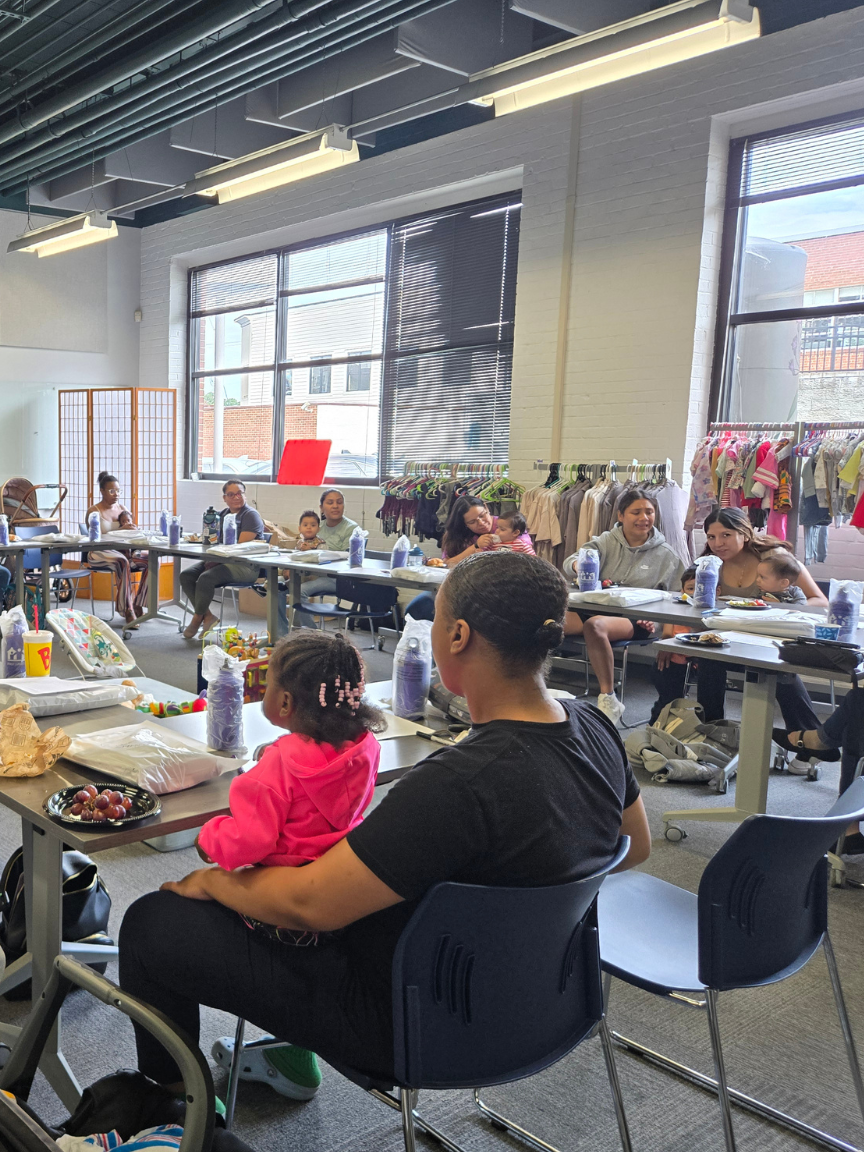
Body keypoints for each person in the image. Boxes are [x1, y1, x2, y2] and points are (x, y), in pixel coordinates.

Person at [118, 551, 651, 1103]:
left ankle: (175, 1112)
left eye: (435, 618)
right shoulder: (594, 726)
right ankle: (285, 1054)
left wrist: (213, 881)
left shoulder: (458, 784)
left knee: (154, 922)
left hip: (412, 1020)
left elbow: (310, 905)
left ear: (458, 636)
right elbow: (634, 846)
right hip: (542, 1003)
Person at [697, 508, 828, 771]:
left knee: (777, 666)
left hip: (771, 640)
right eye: (711, 537)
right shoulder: (710, 563)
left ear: (745, 533)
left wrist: (781, 608)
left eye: (726, 535)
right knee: (706, 657)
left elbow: (819, 601)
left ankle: (810, 742)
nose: (718, 543)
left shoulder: (774, 558)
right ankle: (713, 736)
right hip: (731, 638)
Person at [561, 488, 686, 726]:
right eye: (636, 512)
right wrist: (580, 565)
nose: (644, 518)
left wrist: (667, 634)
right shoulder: (606, 541)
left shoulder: (666, 555)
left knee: (595, 626)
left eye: (649, 512)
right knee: (546, 620)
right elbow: (570, 562)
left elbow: (679, 599)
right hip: (597, 609)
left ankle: (608, 698)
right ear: (621, 515)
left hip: (639, 621)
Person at [180, 481, 265, 640]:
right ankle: (207, 616)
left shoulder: (250, 515)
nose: (236, 497)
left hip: (244, 566)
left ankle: (197, 618)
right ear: (224, 498)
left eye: (239, 493)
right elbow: (212, 539)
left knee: (206, 578)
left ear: (244, 495)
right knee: (186, 575)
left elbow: (239, 547)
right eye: (231, 494)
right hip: (220, 560)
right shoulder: (222, 515)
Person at [404, 495, 501, 622]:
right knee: (418, 609)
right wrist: (475, 547)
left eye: (482, 515)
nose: (481, 523)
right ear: (464, 524)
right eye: (472, 522)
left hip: (494, 590)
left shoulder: (507, 526)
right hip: (461, 588)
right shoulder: (458, 537)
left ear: (486, 508)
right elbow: (448, 564)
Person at [86, 472, 149, 627]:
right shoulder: (94, 511)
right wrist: (119, 531)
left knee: (151, 560)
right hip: (99, 553)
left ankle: (139, 602)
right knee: (122, 562)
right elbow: (94, 538)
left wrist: (133, 529)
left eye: (118, 491)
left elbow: (130, 533)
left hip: (124, 551)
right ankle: (127, 609)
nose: (116, 495)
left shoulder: (122, 509)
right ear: (102, 491)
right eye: (112, 491)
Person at [649, 566, 698, 724]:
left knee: (675, 700)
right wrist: (666, 646)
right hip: (670, 661)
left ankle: (665, 723)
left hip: (689, 662)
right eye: (690, 588)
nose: (695, 593)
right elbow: (667, 633)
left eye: (700, 589)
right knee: (669, 700)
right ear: (682, 591)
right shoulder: (676, 606)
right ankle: (656, 724)